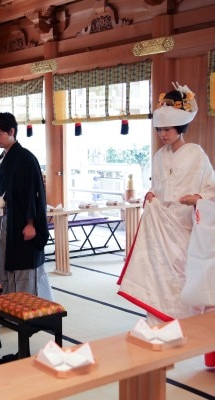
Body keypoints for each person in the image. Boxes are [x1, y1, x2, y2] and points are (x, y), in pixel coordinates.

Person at [117, 83, 215, 364]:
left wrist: (197, 197)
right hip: (161, 229)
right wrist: (152, 195)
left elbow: (211, 188)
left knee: (186, 280)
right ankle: (158, 331)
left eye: (168, 130)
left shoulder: (196, 154)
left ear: (181, 128)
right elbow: (158, 188)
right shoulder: (159, 157)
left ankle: (189, 333)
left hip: (186, 229)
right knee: (156, 276)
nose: (162, 135)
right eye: (159, 130)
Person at [0, 112, 54, 300]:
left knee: (24, 266)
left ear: (12, 131)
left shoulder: (26, 158)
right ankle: (8, 305)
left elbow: (35, 193)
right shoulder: (2, 160)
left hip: (22, 221)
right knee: (4, 261)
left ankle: (31, 306)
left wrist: (31, 223)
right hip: (5, 221)